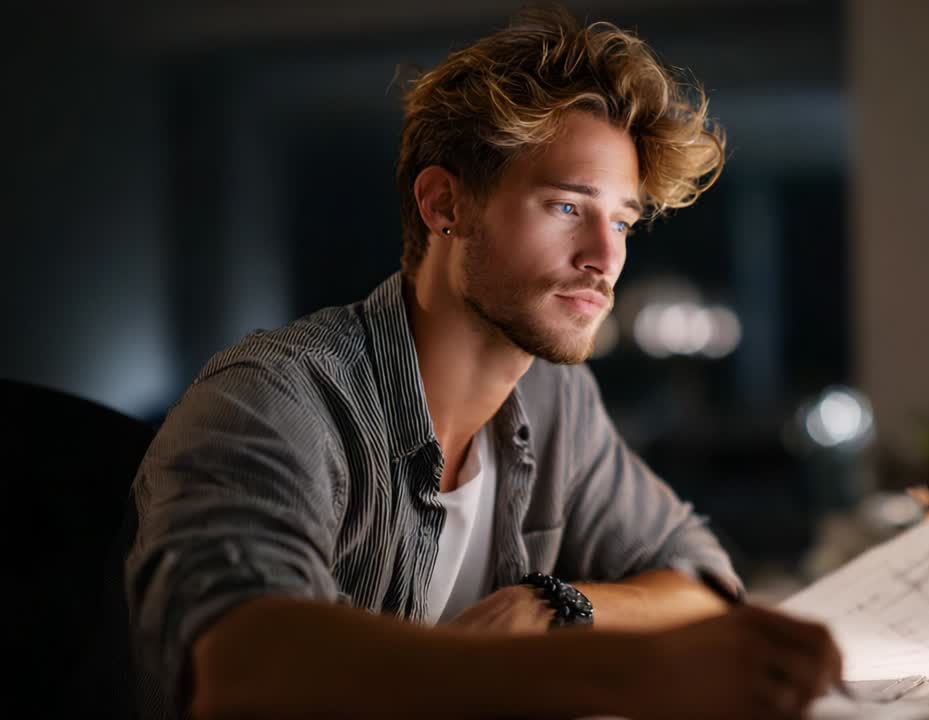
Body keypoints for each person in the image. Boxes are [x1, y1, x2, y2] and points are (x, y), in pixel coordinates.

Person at [126, 6, 843, 719]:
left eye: (622, 221)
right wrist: (615, 670)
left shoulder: (558, 397)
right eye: (567, 208)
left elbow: (702, 580)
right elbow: (241, 672)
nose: (607, 259)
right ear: (446, 206)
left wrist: (556, 609)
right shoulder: (273, 400)